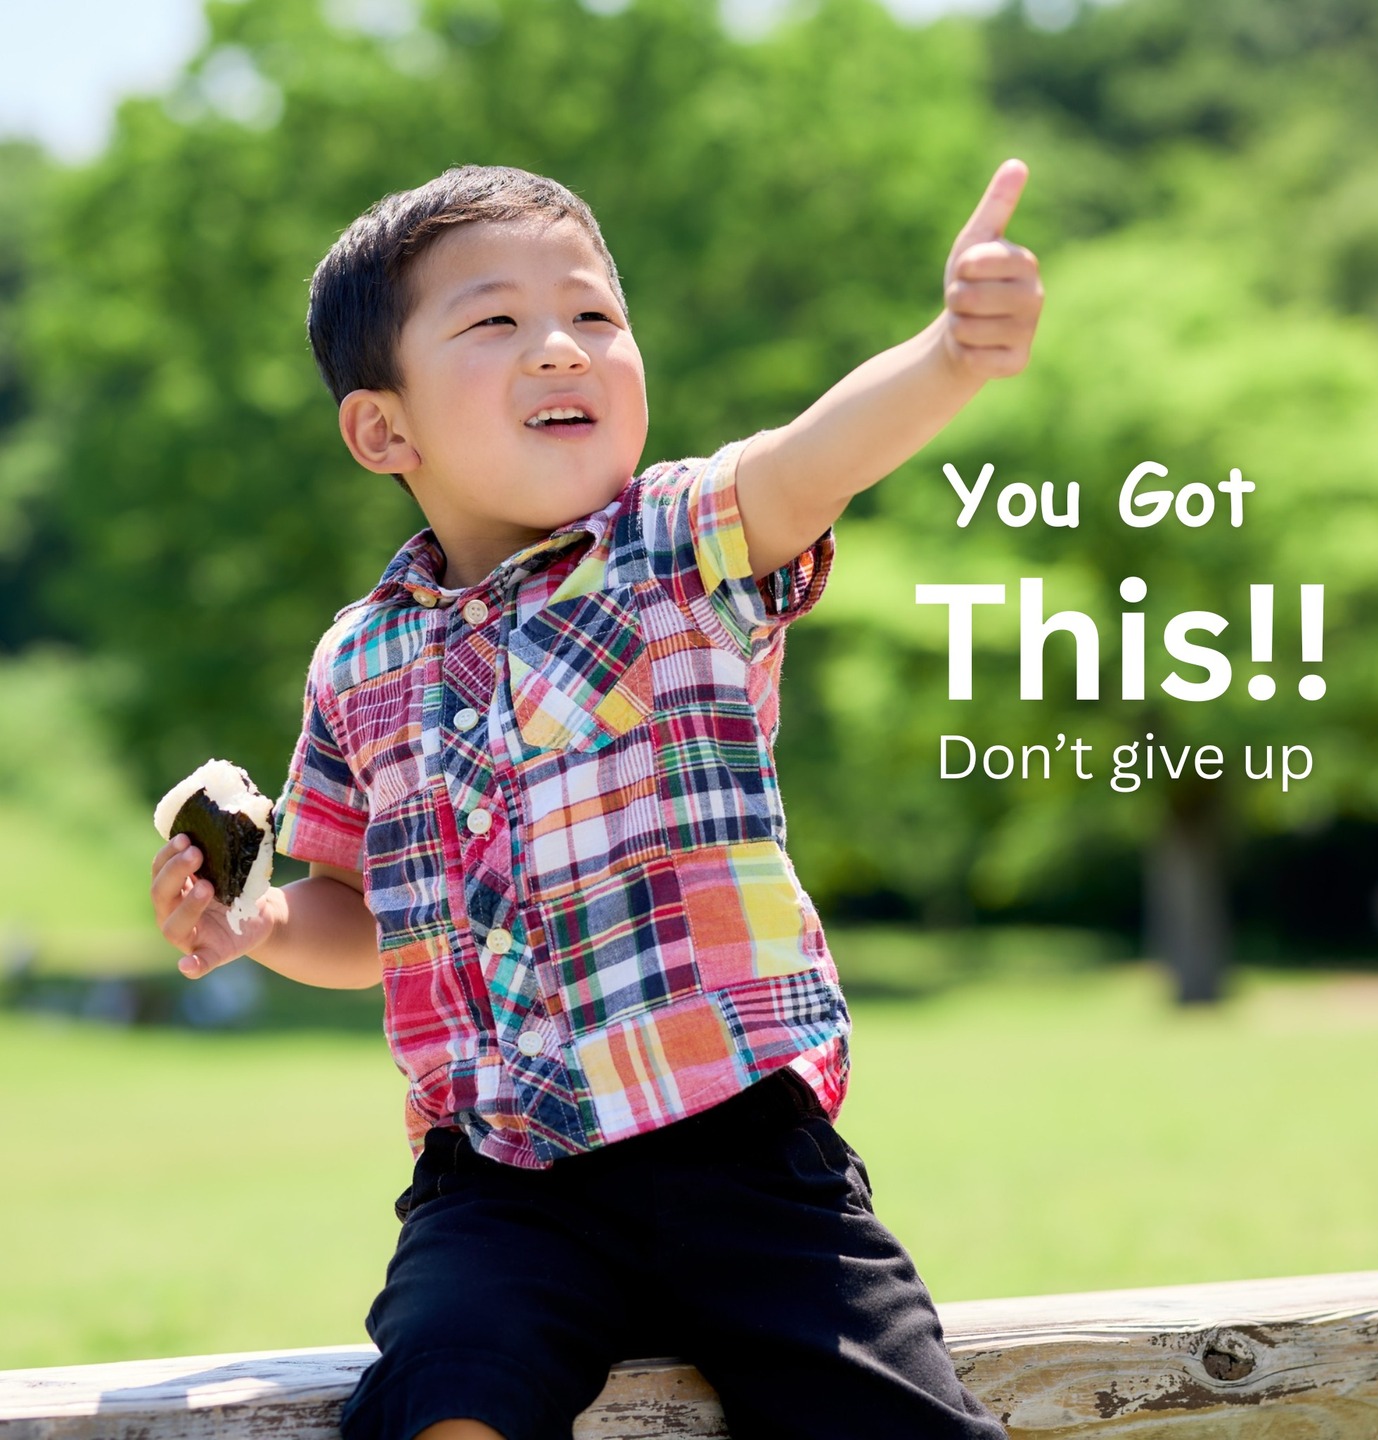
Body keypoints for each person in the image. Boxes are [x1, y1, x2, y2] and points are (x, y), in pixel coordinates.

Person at [150, 161, 1043, 1440]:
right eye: (495, 323)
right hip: (497, 1184)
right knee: (441, 1394)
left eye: (595, 317)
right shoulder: (359, 657)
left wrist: (949, 354)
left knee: (886, 1421)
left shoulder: (679, 545)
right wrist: (261, 928)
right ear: (382, 431)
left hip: (738, 1153)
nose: (562, 348)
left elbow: (812, 460)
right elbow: (359, 909)